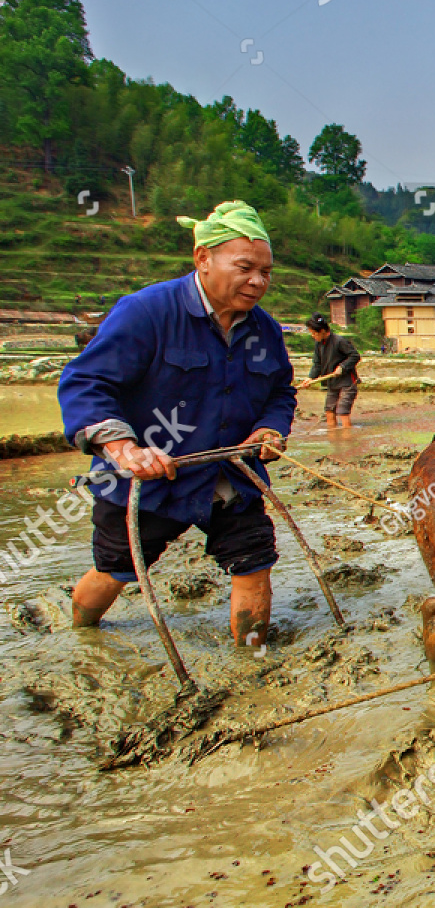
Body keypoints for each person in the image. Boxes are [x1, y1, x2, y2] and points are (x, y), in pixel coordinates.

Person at [58, 200, 295, 650]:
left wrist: (270, 428)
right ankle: (81, 635)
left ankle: (253, 658)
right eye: (245, 267)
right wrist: (126, 449)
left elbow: (281, 392)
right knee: (116, 570)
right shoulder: (146, 312)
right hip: (151, 481)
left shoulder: (265, 331)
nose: (258, 281)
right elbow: (86, 382)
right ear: (203, 258)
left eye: (266, 272)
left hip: (230, 475)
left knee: (254, 562)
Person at [299, 313, 360, 429]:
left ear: (322, 330)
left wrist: (342, 367)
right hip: (332, 383)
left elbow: (355, 356)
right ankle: (334, 439)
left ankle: (347, 438)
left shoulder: (339, 341)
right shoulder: (318, 344)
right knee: (329, 411)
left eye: (314, 333)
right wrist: (310, 378)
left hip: (347, 383)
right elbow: (317, 364)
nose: (312, 336)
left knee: (342, 411)